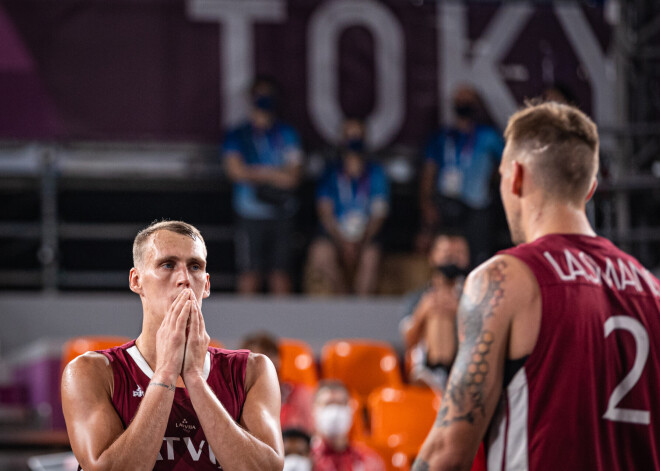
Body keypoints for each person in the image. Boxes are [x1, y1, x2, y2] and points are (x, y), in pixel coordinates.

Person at [413, 102, 660, 471]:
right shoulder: (653, 291)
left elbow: (449, 450)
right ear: (589, 188)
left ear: (516, 176)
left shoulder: (505, 279)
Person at [61, 220, 284, 470]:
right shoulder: (89, 372)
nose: (184, 279)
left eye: (195, 266)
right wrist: (166, 371)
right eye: (167, 265)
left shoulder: (252, 370)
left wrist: (194, 378)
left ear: (207, 284)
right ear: (136, 281)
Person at [223, 76, 304, 295]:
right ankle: (243, 328)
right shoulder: (238, 134)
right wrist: (274, 174)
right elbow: (235, 171)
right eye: (259, 95)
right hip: (250, 213)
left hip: (282, 212)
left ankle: (285, 329)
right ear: (251, 99)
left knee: (281, 274)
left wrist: (256, 172)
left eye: (268, 95)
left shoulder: (287, 134)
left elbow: (293, 177)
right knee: (250, 273)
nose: (264, 100)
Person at [418, 84, 504, 264]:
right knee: (445, 254)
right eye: (459, 100)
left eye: (468, 100)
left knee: (476, 256)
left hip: (477, 204)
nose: (463, 104)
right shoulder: (442, 136)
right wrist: (426, 202)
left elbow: (505, 163)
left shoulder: (488, 136)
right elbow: (429, 171)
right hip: (447, 202)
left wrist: (491, 180)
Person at [305, 117, 390, 295]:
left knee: (371, 256)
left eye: (358, 135)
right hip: (336, 234)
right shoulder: (330, 172)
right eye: (349, 135)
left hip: (366, 234)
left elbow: (379, 213)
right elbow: (325, 211)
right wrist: (343, 242)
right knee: (320, 253)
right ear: (342, 139)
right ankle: (343, 299)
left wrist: (361, 240)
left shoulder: (376, 173)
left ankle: (361, 302)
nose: (354, 140)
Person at [400, 231, 470, 392]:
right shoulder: (418, 297)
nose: (452, 258)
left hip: (465, 364)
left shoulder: (476, 295)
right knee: (436, 312)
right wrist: (423, 311)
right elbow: (408, 342)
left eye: (458, 253)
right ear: (433, 256)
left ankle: (443, 373)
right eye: (447, 253)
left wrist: (460, 311)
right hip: (424, 367)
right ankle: (438, 371)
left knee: (443, 313)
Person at [240, 331, 315, 434]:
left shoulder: (299, 394)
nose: (268, 364)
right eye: (257, 360)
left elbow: (310, 433)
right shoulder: (239, 399)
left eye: (272, 356)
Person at [311, 380, 385, 471]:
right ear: (314, 411)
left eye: (340, 403)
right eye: (328, 404)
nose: (334, 412)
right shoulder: (307, 460)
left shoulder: (369, 460)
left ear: (350, 409)